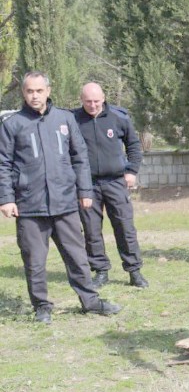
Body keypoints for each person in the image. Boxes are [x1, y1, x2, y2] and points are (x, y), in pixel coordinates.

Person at [0, 72, 122, 323]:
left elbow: (80, 158)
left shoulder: (65, 119)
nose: (35, 96)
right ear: (23, 93)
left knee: (77, 257)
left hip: (65, 202)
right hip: (29, 205)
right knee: (34, 261)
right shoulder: (12, 124)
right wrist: (6, 198)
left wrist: (85, 191)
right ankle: (42, 306)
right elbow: (3, 164)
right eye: (29, 91)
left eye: (39, 91)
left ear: (48, 90)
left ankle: (90, 301)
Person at [73, 82, 148, 289]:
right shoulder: (73, 120)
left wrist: (132, 171)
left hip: (116, 181)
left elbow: (133, 145)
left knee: (125, 227)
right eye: (88, 101)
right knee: (91, 230)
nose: (93, 105)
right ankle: (100, 271)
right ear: (82, 100)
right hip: (87, 185)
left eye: (96, 101)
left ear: (104, 98)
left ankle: (134, 271)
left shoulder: (119, 117)